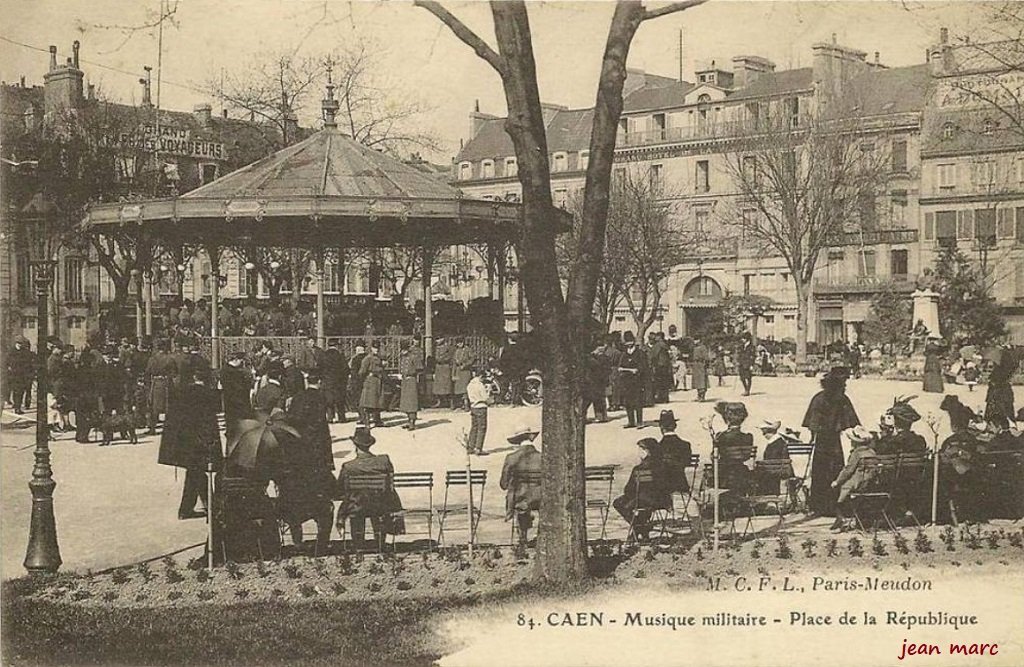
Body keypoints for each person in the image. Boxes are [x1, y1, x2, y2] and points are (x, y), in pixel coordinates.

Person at [159, 368, 222, 520]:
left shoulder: (182, 392)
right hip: (199, 442)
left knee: (194, 472)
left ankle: (187, 509)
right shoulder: (208, 394)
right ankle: (211, 508)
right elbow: (212, 417)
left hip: (183, 442)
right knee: (197, 472)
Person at [802, 366, 860, 517]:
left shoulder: (820, 398)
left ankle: (820, 506)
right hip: (831, 442)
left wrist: (814, 434)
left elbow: (812, 423)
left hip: (824, 441)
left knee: (821, 471)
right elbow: (853, 421)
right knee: (833, 470)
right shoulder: (840, 398)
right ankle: (833, 505)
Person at [335, 427, 403, 549]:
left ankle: (358, 547)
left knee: (354, 504)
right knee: (376, 501)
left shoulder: (349, 467)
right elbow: (390, 485)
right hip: (380, 506)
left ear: (355, 445)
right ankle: (380, 544)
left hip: (357, 507)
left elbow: (339, 490)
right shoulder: (384, 461)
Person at [613, 438, 672, 543]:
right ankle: (641, 529)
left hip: (643, 500)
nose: (639, 452)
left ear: (647, 451)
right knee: (642, 506)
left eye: (641, 449)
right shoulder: (664, 465)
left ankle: (639, 527)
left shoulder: (639, 469)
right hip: (663, 500)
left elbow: (628, 489)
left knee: (619, 503)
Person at [499, 424, 542, 554]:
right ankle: (541, 535)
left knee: (521, 506)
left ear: (517, 441)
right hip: (541, 497)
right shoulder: (543, 457)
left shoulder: (511, 458)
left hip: (520, 498)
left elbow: (503, 484)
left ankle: (522, 538)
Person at [830, 425, 877, 531]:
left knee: (835, 488)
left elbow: (848, 470)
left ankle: (841, 518)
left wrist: (837, 481)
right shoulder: (872, 452)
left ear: (856, 442)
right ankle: (843, 518)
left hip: (857, 484)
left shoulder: (857, 453)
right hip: (870, 483)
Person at [287, 371, 334, 472]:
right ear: (319, 382)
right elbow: (330, 404)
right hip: (318, 432)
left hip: (303, 431)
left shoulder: (298, 396)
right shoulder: (321, 396)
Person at [713, 401, 755, 492]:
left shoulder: (721, 436)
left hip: (724, 474)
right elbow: (746, 457)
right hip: (741, 473)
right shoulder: (748, 437)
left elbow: (714, 457)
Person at [220, 351, 254, 441]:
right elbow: (240, 389)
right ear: (235, 360)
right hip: (238, 404)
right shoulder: (234, 373)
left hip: (230, 402)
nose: (242, 363)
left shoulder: (225, 370)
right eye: (241, 360)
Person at [657, 410, 692, 496]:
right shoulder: (685, 445)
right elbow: (687, 462)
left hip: (662, 486)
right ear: (675, 426)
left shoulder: (657, 447)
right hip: (681, 484)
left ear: (661, 427)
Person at [617, 331, 647, 429]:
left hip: (637, 381)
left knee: (638, 401)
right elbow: (620, 366)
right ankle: (631, 421)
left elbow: (642, 367)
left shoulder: (640, 353)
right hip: (626, 381)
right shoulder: (624, 354)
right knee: (628, 401)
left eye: (630, 342)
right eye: (627, 343)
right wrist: (629, 370)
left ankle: (640, 421)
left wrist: (635, 370)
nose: (629, 345)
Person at [985, 347, 1018, 422]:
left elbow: (993, 382)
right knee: (1008, 412)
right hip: (1006, 393)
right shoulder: (1009, 369)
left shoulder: (997, 371)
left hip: (996, 394)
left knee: (994, 413)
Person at [320, 340, 349, 423]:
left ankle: (330, 417)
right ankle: (341, 418)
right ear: (336, 346)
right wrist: (343, 379)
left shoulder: (323, 356)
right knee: (340, 400)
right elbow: (345, 369)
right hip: (338, 381)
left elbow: (319, 368)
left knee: (329, 400)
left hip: (327, 381)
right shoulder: (340, 356)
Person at [359, 343, 385, 427]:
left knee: (377, 402)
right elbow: (362, 371)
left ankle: (377, 420)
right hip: (370, 381)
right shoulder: (367, 359)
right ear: (371, 348)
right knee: (368, 403)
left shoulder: (379, 358)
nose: (376, 350)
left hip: (377, 381)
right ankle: (367, 422)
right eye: (374, 348)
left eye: (377, 348)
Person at [398, 341, 423, 430]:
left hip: (412, 379)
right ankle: (409, 421)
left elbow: (419, 368)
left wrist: (416, 379)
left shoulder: (413, 357)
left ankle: (412, 422)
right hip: (405, 380)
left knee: (412, 401)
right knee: (406, 402)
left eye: (404, 349)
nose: (403, 351)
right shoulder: (403, 358)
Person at [7, 338, 35, 414]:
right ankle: (17, 407)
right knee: (16, 392)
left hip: (23, 375)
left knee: (21, 392)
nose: (20, 345)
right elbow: (8, 362)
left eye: (21, 344)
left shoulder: (24, 352)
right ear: (16, 343)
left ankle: (18, 407)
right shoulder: (11, 352)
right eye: (19, 344)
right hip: (14, 375)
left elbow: (28, 362)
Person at [466, 367, 490, 455]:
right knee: (482, 428)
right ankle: (478, 448)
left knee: (474, 427)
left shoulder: (470, 385)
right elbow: (485, 398)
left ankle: (470, 447)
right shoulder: (480, 385)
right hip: (481, 406)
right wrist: (488, 391)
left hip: (473, 406)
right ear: (480, 376)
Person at [583, 346, 610, 423]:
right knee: (593, 399)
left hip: (595, 381)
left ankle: (600, 416)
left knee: (596, 399)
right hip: (594, 381)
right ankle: (600, 416)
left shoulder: (593, 358)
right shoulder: (590, 358)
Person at [433, 337, 455, 409]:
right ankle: (439, 401)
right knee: (438, 386)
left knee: (447, 386)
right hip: (439, 368)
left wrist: (443, 359)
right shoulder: (436, 348)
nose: (437, 341)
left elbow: (450, 357)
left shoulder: (448, 347)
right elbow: (435, 357)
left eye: (439, 339)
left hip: (445, 367)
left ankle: (451, 402)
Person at [347, 344, 367, 419]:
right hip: (366, 380)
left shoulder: (354, 359)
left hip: (356, 381)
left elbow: (352, 370)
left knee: (358, 399)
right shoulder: (368, 357)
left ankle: (362, 416)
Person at [453, 339, 474, 410]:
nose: (460, 344)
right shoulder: (456, 351)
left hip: (465, 371)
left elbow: (472, 359)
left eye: (461, 342)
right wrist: (453, 373)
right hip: (458, 371)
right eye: (458, 343)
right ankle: (460, 403)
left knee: (465, 388)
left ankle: (466, 404)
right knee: (459, 388)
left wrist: (465, 365)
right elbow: (454, 363)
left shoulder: (467, 350)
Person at [691, 337, 710, 401]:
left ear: (699, 340)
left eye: (696, 339)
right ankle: (698, 395)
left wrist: (705, 364)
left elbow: (706, 357)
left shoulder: (703, 347)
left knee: (702, 380)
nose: (694, 341)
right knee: (697, 380)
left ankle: (702, 396)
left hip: (701, 364)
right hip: (695, 365)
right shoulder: (694, 348)